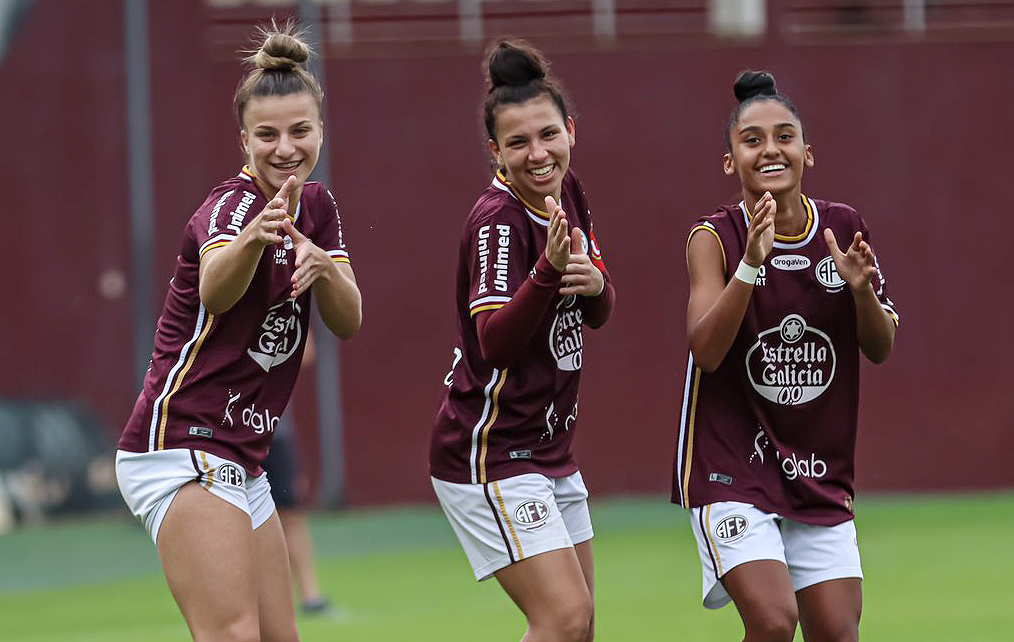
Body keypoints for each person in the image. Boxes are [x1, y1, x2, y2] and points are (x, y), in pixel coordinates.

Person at [115, 22, 361, 642]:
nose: (285, 147)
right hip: (181, 444)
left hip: (241, 457)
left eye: (300, 130)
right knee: (232, 634)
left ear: (320, 132)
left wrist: (325, 268)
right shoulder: (231, 206)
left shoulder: (320, 209)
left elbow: (348, 320)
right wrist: (253, 241)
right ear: (244, 140)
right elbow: (216, 288)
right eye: (267, 134)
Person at [672, 70, 899, 642]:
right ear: (731, 161)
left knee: (836, 633)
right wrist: (750, 264)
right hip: (731, 470)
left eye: (784, 136)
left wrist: (860, 291)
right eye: (751, 140)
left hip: (818, 473)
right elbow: (706, 348)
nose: (770, 149)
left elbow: (881, 345)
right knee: (774, 621)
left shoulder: (844, 229)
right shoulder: (714, 237)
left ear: (807, 151)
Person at [430, 40, 615, 642]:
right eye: (518, 143)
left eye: (548, 135)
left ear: (572, 132)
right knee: (560, 618)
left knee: (579, 625)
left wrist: (593, 286)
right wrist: (548, 275)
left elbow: (598, 313)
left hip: (549, 451)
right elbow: (493, 344)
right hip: (490, 452)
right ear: (495, 152)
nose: (537, 154)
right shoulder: (497, 219)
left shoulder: (572, 194)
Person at [260, 332, 331, 615]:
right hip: (228, 433)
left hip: (274, 432)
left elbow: (307, 350)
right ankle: (261, 599)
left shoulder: (284, 298)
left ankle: (310, 595)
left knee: (290, 512)